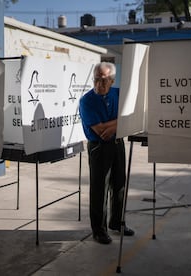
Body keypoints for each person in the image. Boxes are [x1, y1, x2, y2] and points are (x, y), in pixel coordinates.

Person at [79, 62, 135, 244]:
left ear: (112, 80)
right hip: (99, 147)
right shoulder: (87, 101)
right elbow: (101, 130)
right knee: (99, 188)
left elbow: (130, 116)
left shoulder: (118, 93)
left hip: (118, 143)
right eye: (96, 79)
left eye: (104, 80)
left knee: (119, 185)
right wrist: (120, 122)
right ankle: (99, 230)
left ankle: (117, 223)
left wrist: (117, 124)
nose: (99, 84)